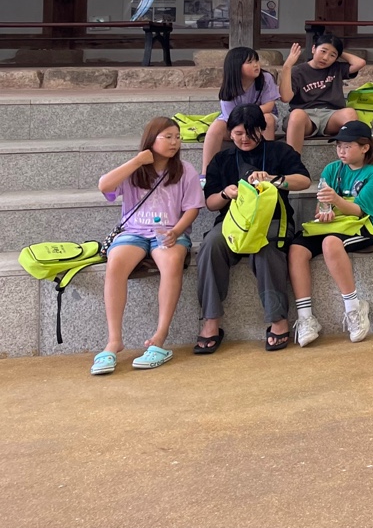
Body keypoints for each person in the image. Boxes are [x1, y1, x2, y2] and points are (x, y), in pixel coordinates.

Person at [91, 117, 205, 374]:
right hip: (134, 232)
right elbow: (105, 186)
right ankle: (114, 341)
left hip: (169, 232)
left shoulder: (185, 170)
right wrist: (136, 161)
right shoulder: (135, 169)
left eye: (177, 137)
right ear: (151, 140)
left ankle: (159, 338)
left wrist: (176, 231)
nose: (174, 142)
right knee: (115, 263)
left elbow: (192, 208)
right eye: (168, 137)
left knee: (172, 262)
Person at [195, 104, 311, 353]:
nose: (244, 138)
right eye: (238, 133)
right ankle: (211, 320)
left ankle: (278, 320)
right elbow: (210, 203)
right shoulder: (222, 159)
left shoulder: (280, 151)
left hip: (274, 221)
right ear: (229, 133)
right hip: (233, 224)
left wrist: (274, 179)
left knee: (266, 248)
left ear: (262, 129)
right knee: (211, 245)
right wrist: (226, 193)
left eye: (251, 132)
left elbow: (304, 180)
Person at [290, 120, 373, 347]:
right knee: (296, 249)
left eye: (347, 146)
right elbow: (321, 207)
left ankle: (354, 308)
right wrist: (324, 212)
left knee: (330, 243)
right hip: (334, 225)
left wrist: (335, 200)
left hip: (365, 226)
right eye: (339, 146)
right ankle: (306, 318)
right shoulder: (331, 169)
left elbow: (360, 210)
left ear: (365, 147)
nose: (341, 151)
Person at [280, 34, 367, 154]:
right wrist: (287, 67)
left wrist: (338, 51)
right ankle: (292, 162)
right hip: (305, 117)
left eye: (332, 55)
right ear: (313, 49)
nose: (325, 58)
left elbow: (360, 63)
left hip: (331, 116)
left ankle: (351, 158)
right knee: (296, 115)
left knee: (349, 113)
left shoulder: (336, 68)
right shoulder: (298, 71)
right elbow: (285, 98)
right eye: (323, 51)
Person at [203, 46, 279, 171]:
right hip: (235, 123)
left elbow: (269, 106)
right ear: (236, 67)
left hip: (260, 120)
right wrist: (243, 125)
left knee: (268, 119)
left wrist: (248, 115)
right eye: (250, 62)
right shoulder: (230, 85)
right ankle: (206, 172)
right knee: (215, 127)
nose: (256, 65)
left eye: (256, 60)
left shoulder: (266, 78)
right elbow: (229, 117)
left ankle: (267, 168)